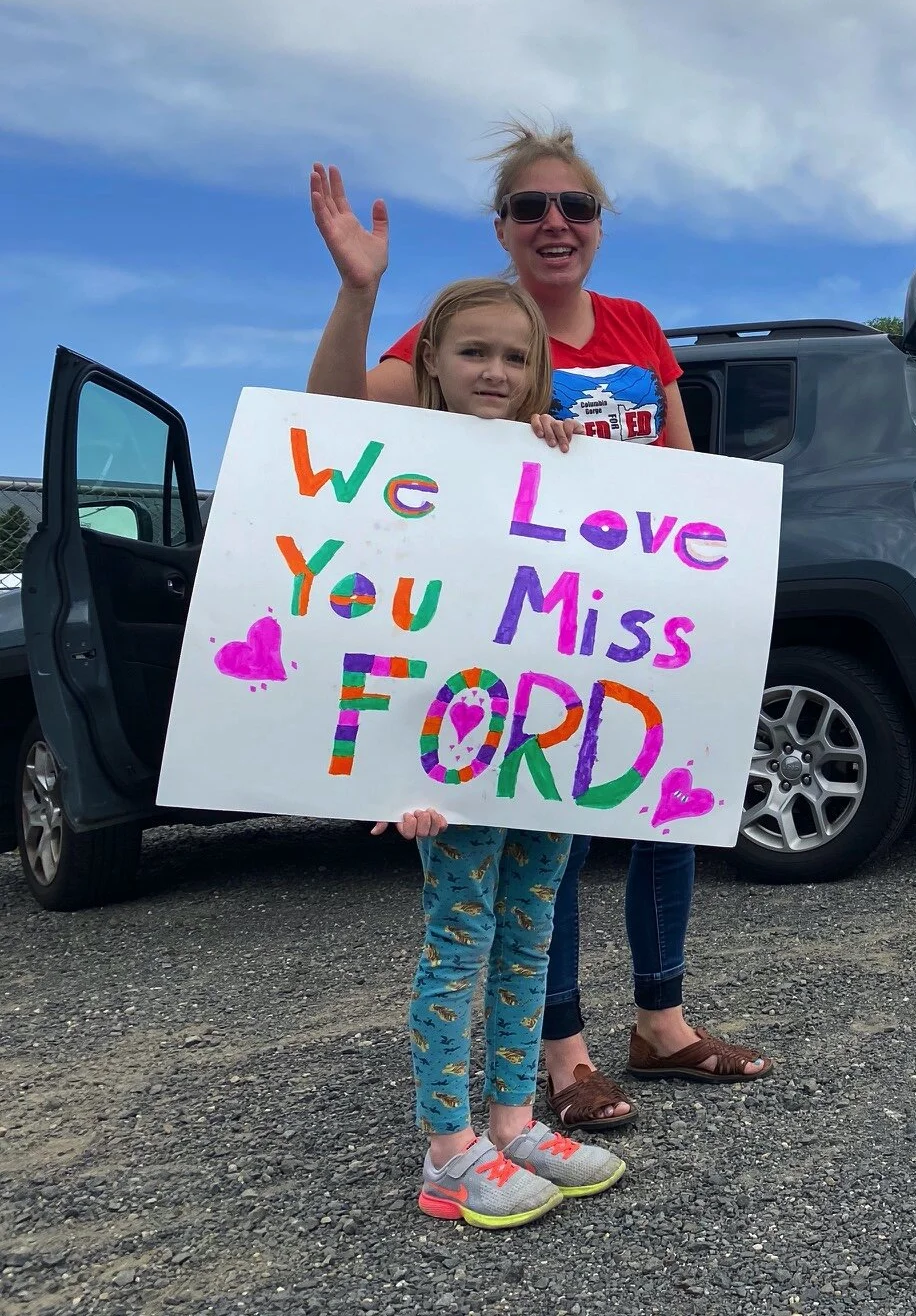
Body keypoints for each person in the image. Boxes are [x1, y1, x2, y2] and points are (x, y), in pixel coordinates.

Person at [342, 121, 771, 1132]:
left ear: (598, 223)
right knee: (559, 840)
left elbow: (686, 473)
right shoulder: (470, 330)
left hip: (633, 622)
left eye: (574, 206)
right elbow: (341, 435)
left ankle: (660, 1024)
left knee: (665, 814)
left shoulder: (637, 326)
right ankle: (565, 1054)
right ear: (501, 225)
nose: (554, 223)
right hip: (523, 633)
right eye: (530, 206)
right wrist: (359, 293)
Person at [304, 201, 629, 1225]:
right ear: (433, 364)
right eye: (473, 353)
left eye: (513, 359)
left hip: (543, 751)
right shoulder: (403, 464)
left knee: (529, 940)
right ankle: (448, 1149)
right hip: (446, 759)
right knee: (461, 940)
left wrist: (564, 455)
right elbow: (324, 442)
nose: (494, 372)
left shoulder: (555, 461)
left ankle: (511, 1121)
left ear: (538, 374)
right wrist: (360, 289)